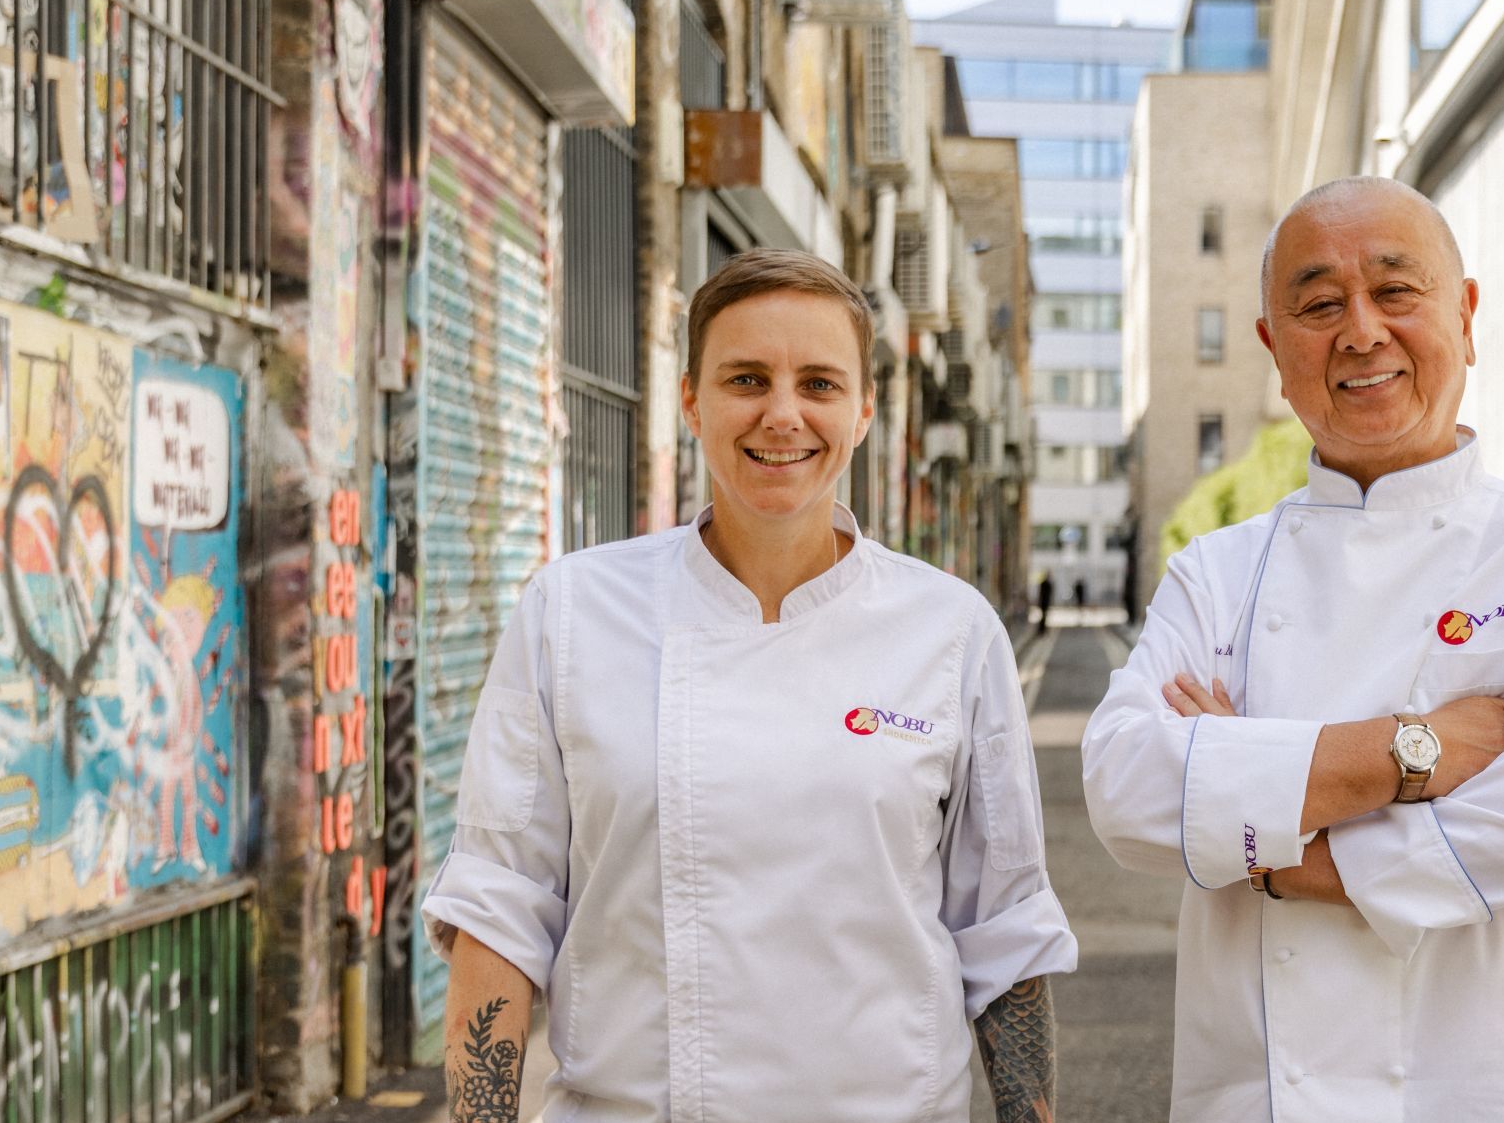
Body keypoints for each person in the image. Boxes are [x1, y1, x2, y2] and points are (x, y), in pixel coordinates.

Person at [423, 250, 1077, 1123]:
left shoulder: (951, 631)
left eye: (818, 383)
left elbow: (1004, 934)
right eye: (746, 378)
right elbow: (499, 913)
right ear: (690, 398)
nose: (782, 414)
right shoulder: (571, 613)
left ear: (865, 410)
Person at [1080, 177, 1504, 1120]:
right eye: (1318, 304)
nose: (1361, 331)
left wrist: (1273, 847)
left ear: (1466, 316)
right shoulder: (1217, 574)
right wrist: (1414, 750)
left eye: (1397, 291)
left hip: (1495, 1090)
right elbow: (1125, 788)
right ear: (1274, 349)